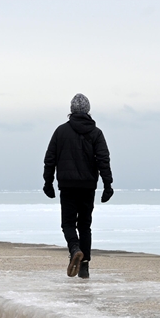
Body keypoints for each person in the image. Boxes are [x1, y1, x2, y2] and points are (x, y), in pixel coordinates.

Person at [43, 93, 113, 279]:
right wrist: (107, 185)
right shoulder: (96, 133)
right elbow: (103, 160)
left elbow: (50, 159)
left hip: (67, 185)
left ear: (71, 110)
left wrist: (48, 182)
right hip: (88, 186)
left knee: (67, 223)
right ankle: (84, 266)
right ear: (88, 111)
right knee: (84, 225)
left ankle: (74, 249)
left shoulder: (61, 132)